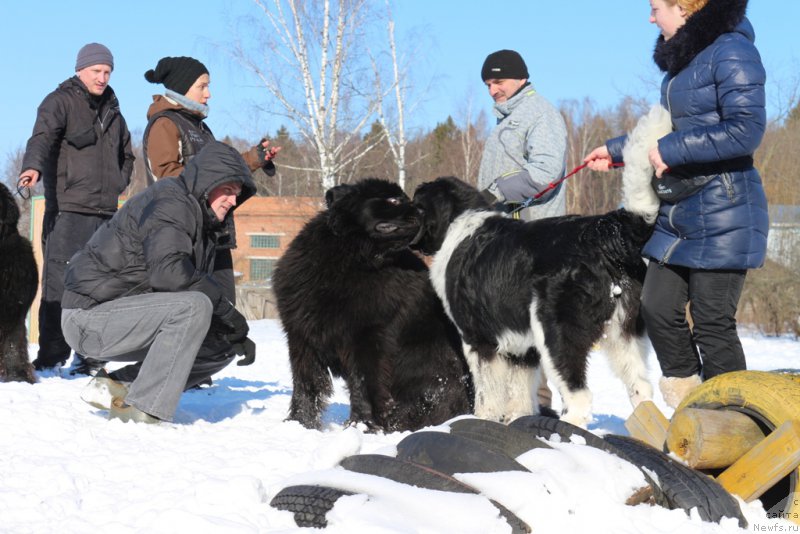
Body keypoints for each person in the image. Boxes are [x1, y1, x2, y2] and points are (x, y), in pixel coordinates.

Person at [583, 0, 768, 408]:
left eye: (655, 8)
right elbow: (665, 129)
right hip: (680, 210)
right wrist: (616, 151)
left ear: (684, 7)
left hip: (725, 208)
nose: (650, 18)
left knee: (712, 322)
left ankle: (734, 421)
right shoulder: (682, 63)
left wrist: (675, 148)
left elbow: (747, 129)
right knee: (657, 307)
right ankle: (692, 403)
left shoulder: (732, 50)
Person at [61, 141, 257, 424]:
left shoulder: (203, 223)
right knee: (194, 307)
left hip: (127, 318)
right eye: (227, 190)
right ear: (207, 182)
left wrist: (230, 329)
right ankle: (145, 411)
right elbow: (169, 274)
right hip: (89, 319)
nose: (232, 201)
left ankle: (118, 387)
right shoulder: (171, 202)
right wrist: (226, 312)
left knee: (220, 341)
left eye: (237, 194)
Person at [18, 43, 134, 375]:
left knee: (102, 285)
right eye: (96, 71)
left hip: (105, 215)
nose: (102, 77)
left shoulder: (113, 111)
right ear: (80, 70)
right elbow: (41, 138)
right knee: (60, 282)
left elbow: (127, 155)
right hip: (68, 211)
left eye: (107, 72)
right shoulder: (60, 102)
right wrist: (33, 168)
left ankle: (91, 357)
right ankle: (52, 355)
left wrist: (117, 183)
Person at [142, 56, 281, 302]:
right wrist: (212, 185)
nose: (209, 94)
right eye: (202, 86)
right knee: (199, 314)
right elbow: (166, 179)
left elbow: (219, 169)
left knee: (225, 313)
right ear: (183, 86)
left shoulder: (201, 128)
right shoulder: (165, 124)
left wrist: (254, 158)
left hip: (216, 233)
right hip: (187, 236)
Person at [477, 49, 569, 413]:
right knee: (515, 325)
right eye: (487, 83)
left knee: (540, 324)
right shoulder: (507, 119)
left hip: (536, 239)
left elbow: (545, 174)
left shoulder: (540, 114)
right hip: (508, 242)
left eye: (498, 81)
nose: (492, 90)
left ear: (520, 78)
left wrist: (493, 194)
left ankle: (542, 404)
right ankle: (519, 402)